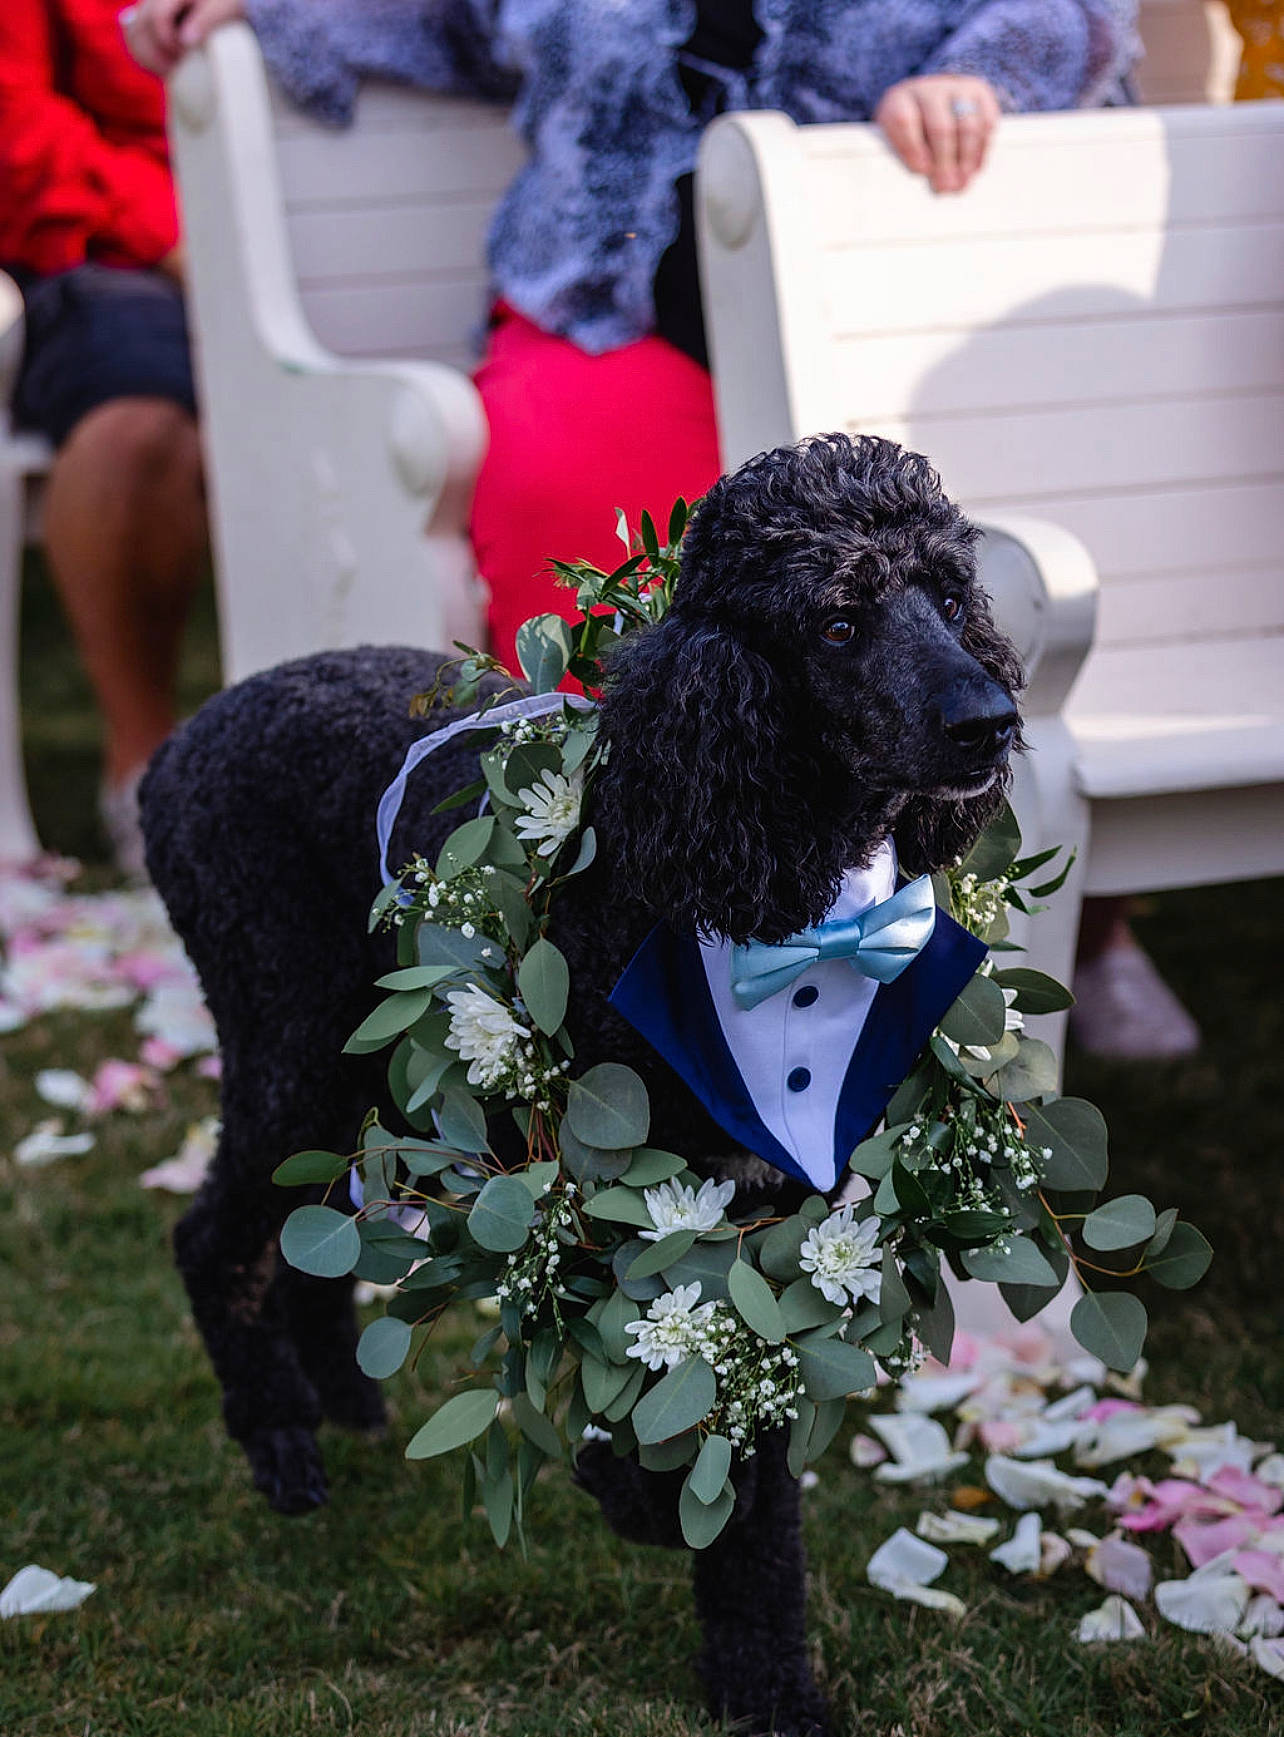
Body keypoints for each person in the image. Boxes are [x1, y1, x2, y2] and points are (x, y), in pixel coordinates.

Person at [128, 0, 1186, 1061]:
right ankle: (607, 937)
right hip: (611, 303)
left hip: (889, 296)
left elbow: (1078, 16)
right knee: (578, 509)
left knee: (922, 559)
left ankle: (1055, 929)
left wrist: (986, 73)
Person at [1, 0, 208, 876]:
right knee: (138, 428)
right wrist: (177, 234)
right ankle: (143, 774)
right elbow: (16, 125)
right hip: (118, 253)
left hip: (349, 219)